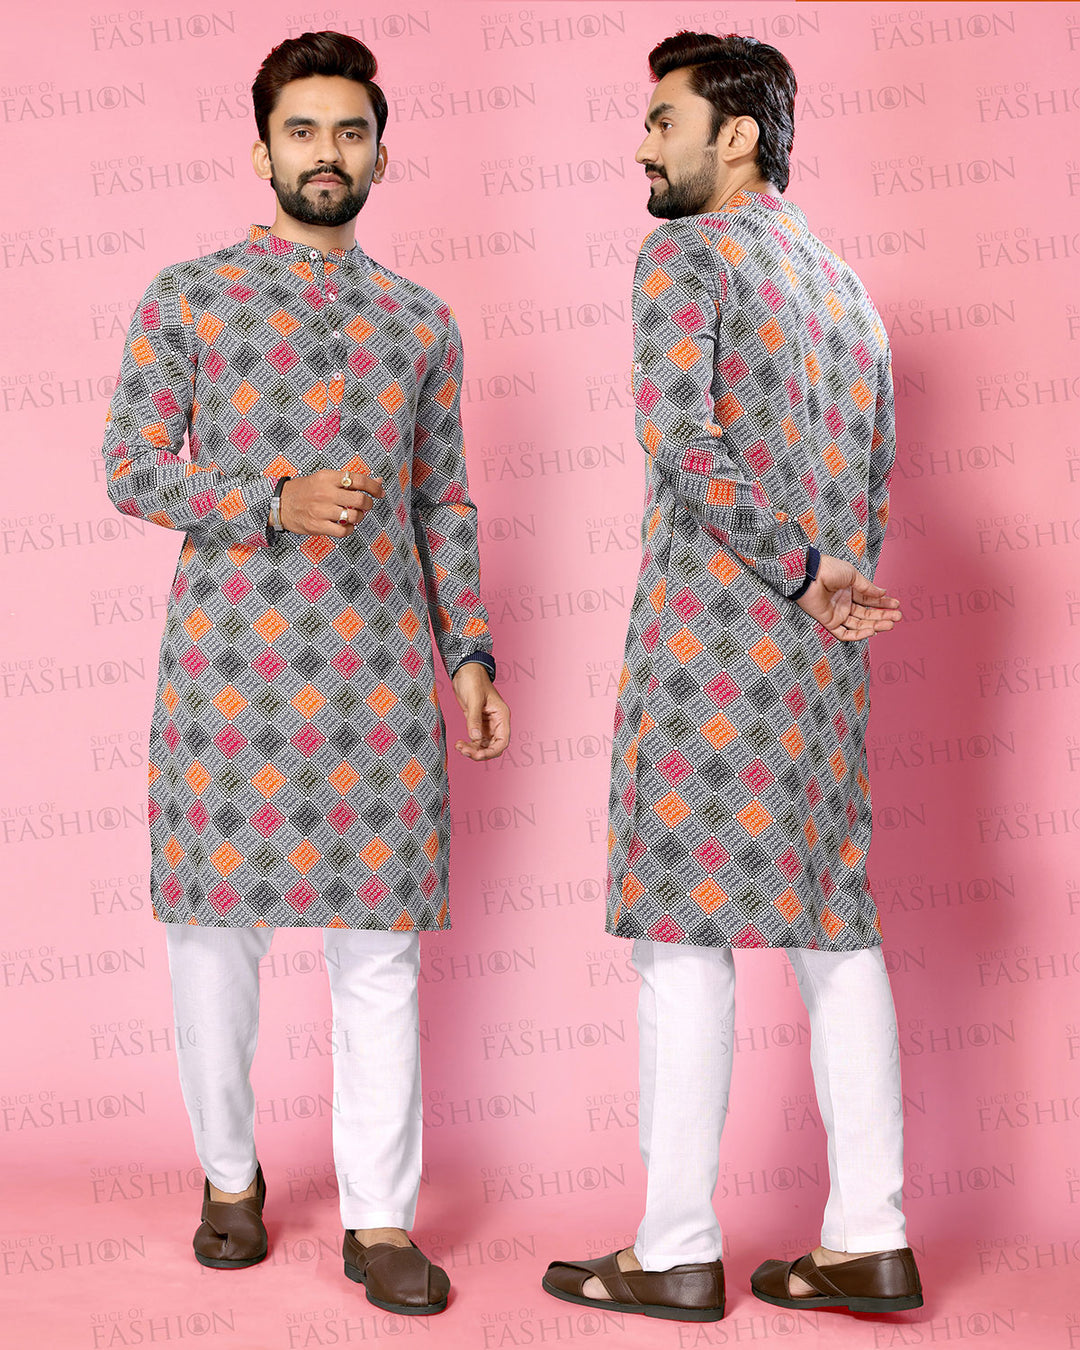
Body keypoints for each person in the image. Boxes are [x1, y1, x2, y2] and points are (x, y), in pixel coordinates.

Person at [100, 30, 509, 1315]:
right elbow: (130, 467)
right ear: (261, 147)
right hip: (229, 675)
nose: (327, 153)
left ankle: (380, 1221)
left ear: (381, 152)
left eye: (349, 131)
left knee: (378, 955)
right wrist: (269, 498)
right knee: (213, 943)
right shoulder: (190, 297)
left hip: (380, 681)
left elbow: (444, 501)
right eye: (302, 130)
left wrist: (470, 651)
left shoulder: (420, 322)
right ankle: (230, 1179)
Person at [543, 31, 922, 1322]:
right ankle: (869, 1235)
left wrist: (797, 566)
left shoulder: (687, 258)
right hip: (821, 661)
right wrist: (833, 583)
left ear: (738, 135)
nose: (643, 145)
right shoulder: (844, 290)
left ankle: (674, 1248)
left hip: (713, 650)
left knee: (680, 939)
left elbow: (682, 440)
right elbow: (874, 471)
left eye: (665, 121)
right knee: (834, 929)